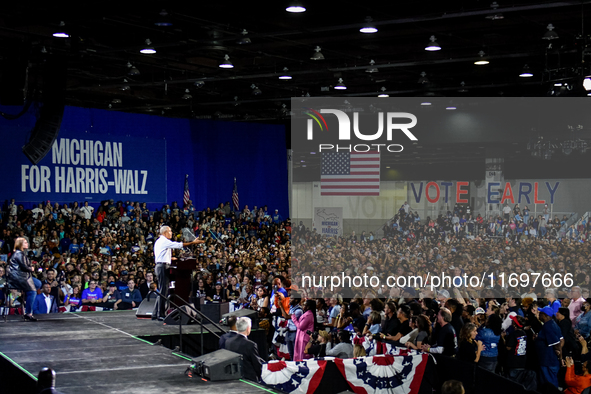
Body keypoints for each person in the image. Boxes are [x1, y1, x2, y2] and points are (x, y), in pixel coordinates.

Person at [153, 225, 203, 320]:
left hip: (160, 265)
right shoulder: (164, 241)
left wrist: (170, 258)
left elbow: (161, 254)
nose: (171, 233)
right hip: (162, 266)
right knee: (163, 291)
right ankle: (161, 314)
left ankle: (155, 313)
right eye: (170, 231)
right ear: (165, 233)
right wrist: (193, 242)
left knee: (162, 290)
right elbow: (178, 245)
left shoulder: (159, 241)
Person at [224, 317, 264, 382]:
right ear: (248, 328)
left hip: (233, 378)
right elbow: (257, 365)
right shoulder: (250, 345)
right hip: (249, 380)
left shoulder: (228, 341)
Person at [6, 237, 37, 321]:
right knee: (33, 292)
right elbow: (24, 267)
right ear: (20, 244)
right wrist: (32, 269)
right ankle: (28, 313)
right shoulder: (19, 253)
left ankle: (25, 298)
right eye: (25, 242)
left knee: (38, 284)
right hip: (19, 277)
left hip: (22, 276)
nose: (27, 244)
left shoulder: (20, 253)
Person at [535, 306, 564, 388]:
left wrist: (560, 357)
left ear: (545, 315)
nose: (539, 315)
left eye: (541, 313)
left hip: (548, 361)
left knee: (549, 386)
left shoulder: (548, 326)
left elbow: (557, 344)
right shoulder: (553, 323)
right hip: (549, 360)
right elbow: (562, 340)